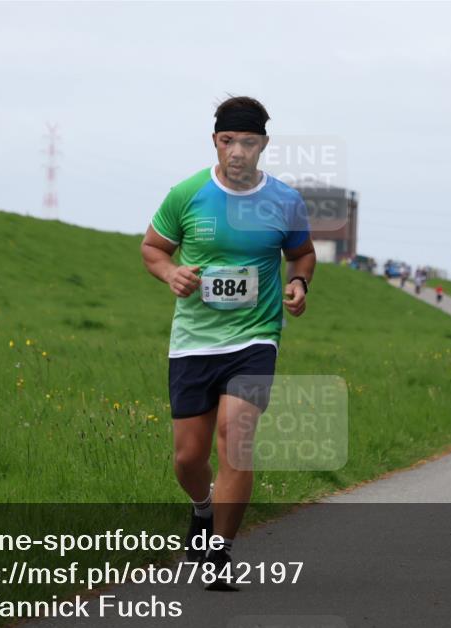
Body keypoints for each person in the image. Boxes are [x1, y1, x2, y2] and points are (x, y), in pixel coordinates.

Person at [140, 96, 314, 591]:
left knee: (235, 436)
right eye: (228, 141)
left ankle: (220, 551)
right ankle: (202, 507)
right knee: (188, 458)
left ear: (264, 145)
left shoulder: (284, 200)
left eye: (249, 142)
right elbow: (153, 248)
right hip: (193, 342)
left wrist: (299, 282)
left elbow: (302, 254)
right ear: (214, 141)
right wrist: (171, 273)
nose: (238, 151)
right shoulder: (188, 194)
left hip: (256, 336)